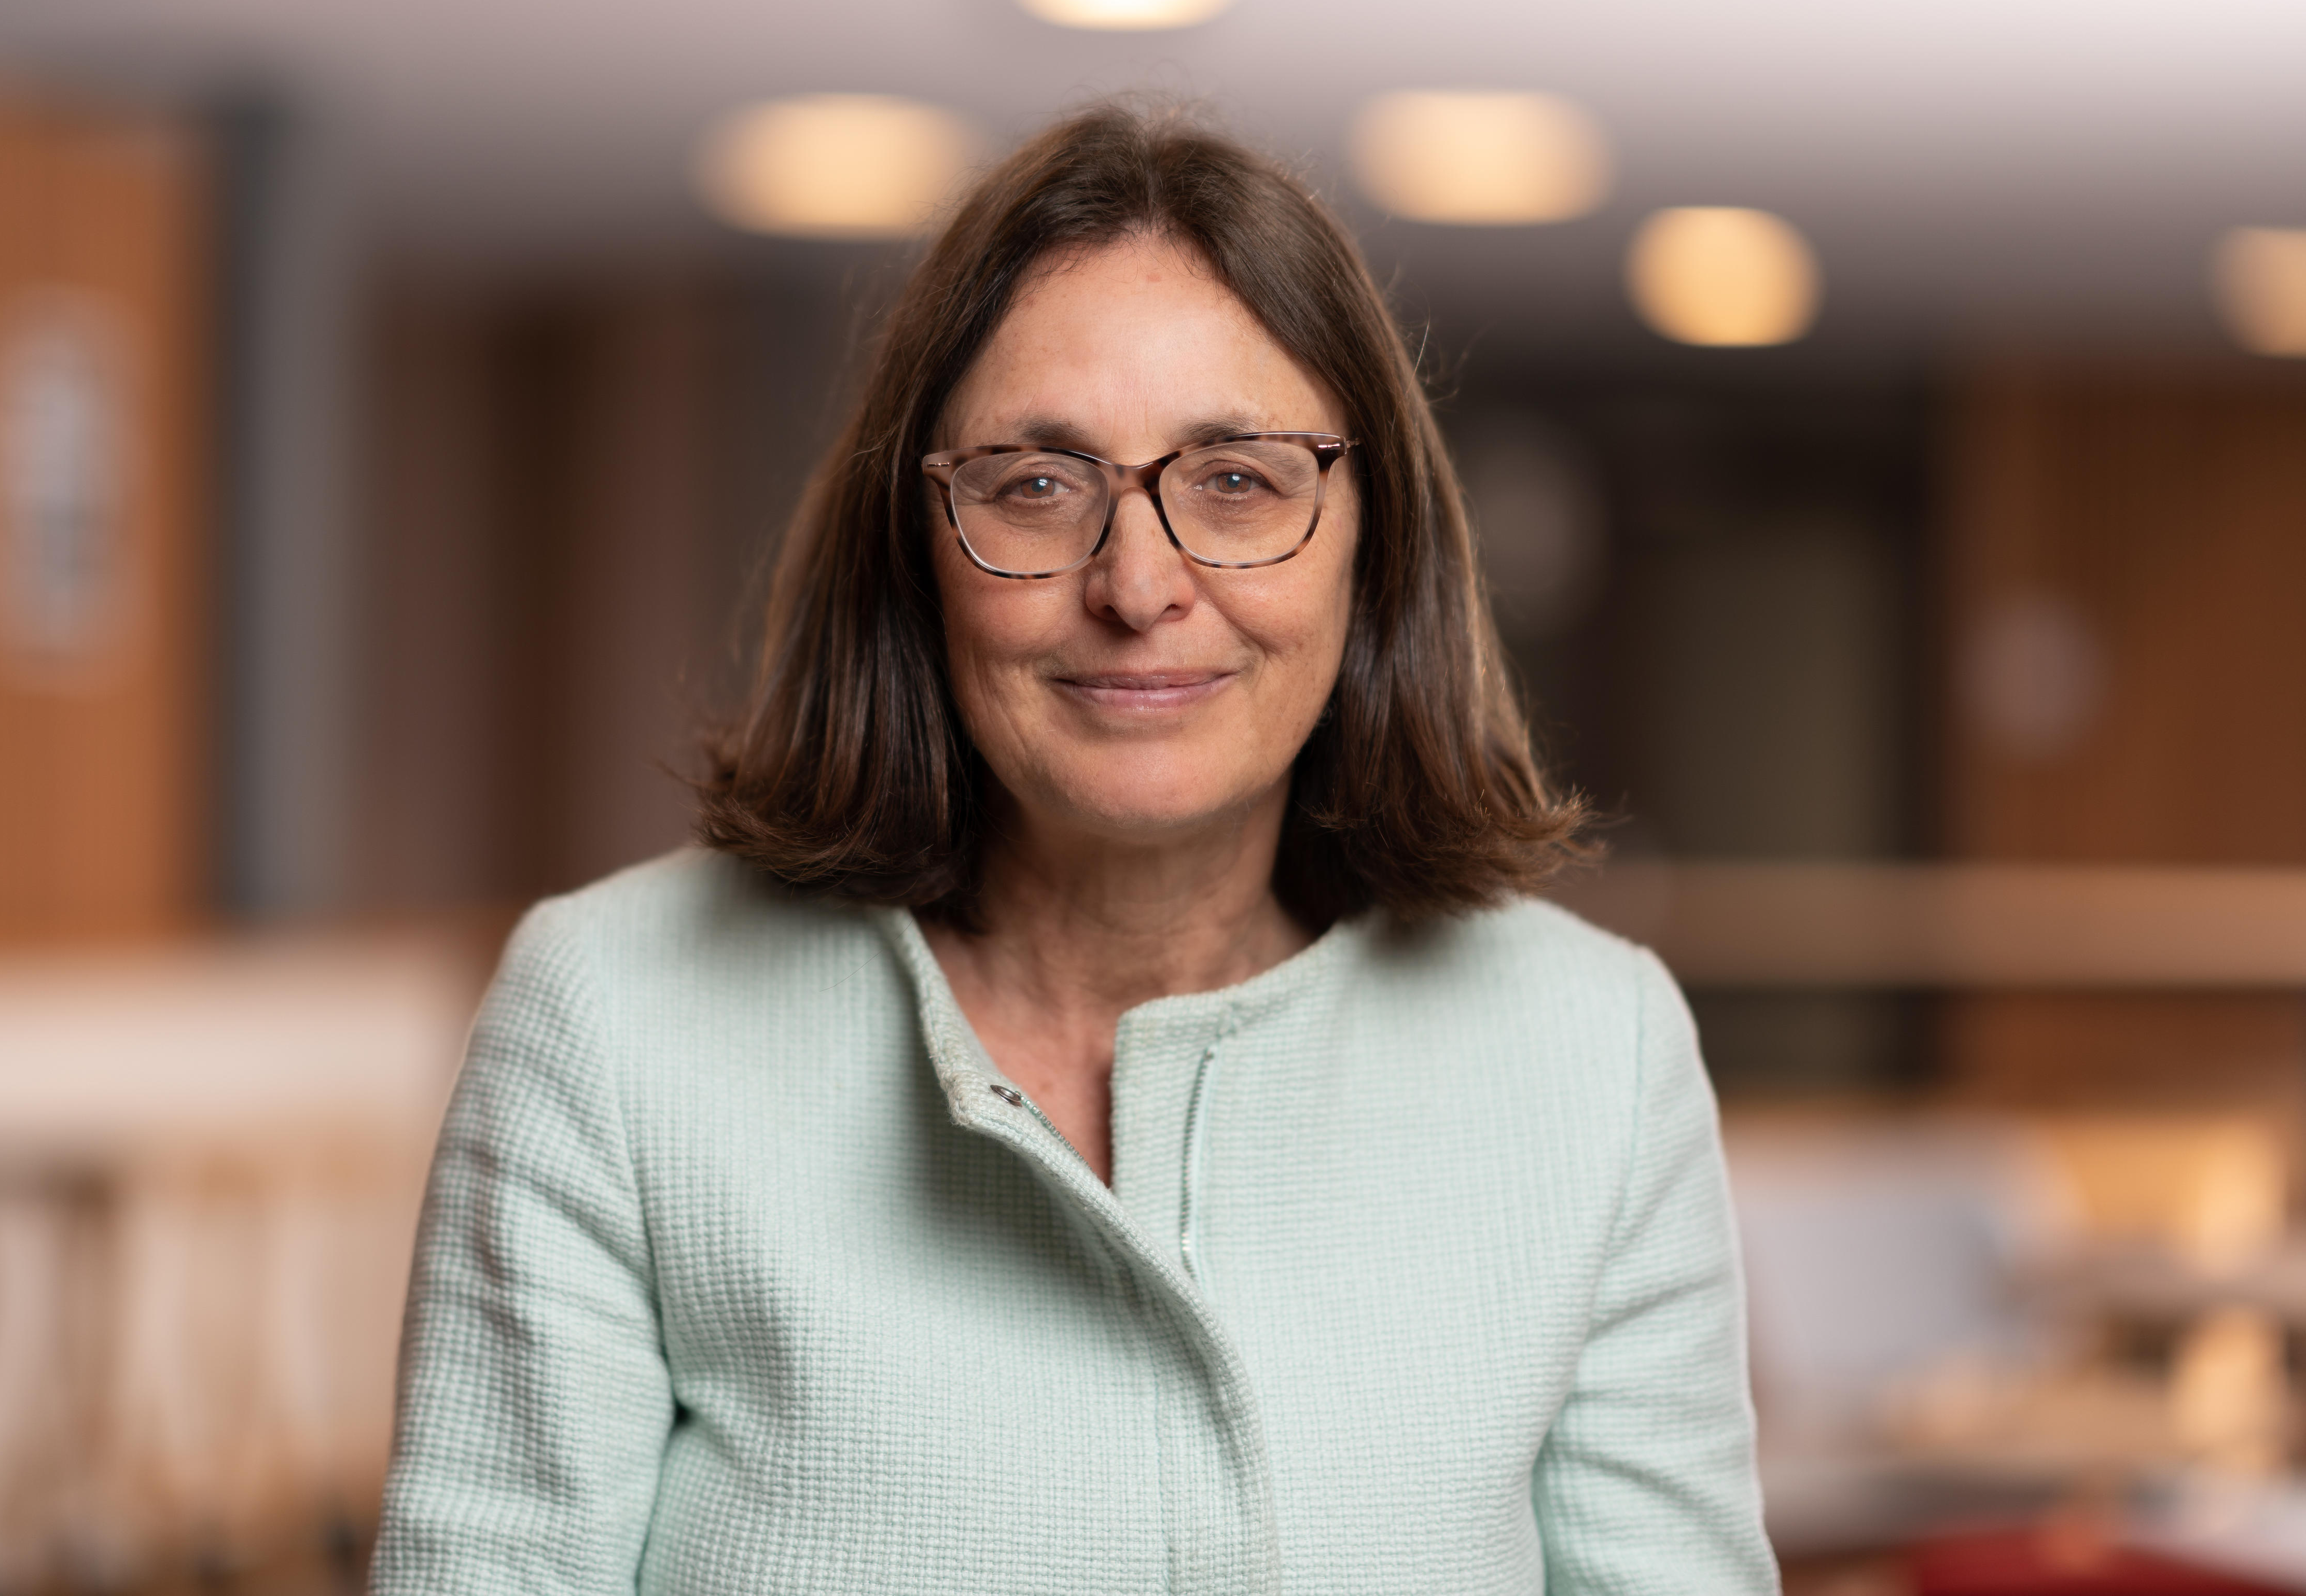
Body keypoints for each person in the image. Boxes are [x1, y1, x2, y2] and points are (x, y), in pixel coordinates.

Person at [370, 104, 1774, 1595]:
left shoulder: (1591, 1055)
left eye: (1238, 479)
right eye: (1037, 485)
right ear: (913, 548)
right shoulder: (614, 1021)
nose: (1140, 584)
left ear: (1377, 542)